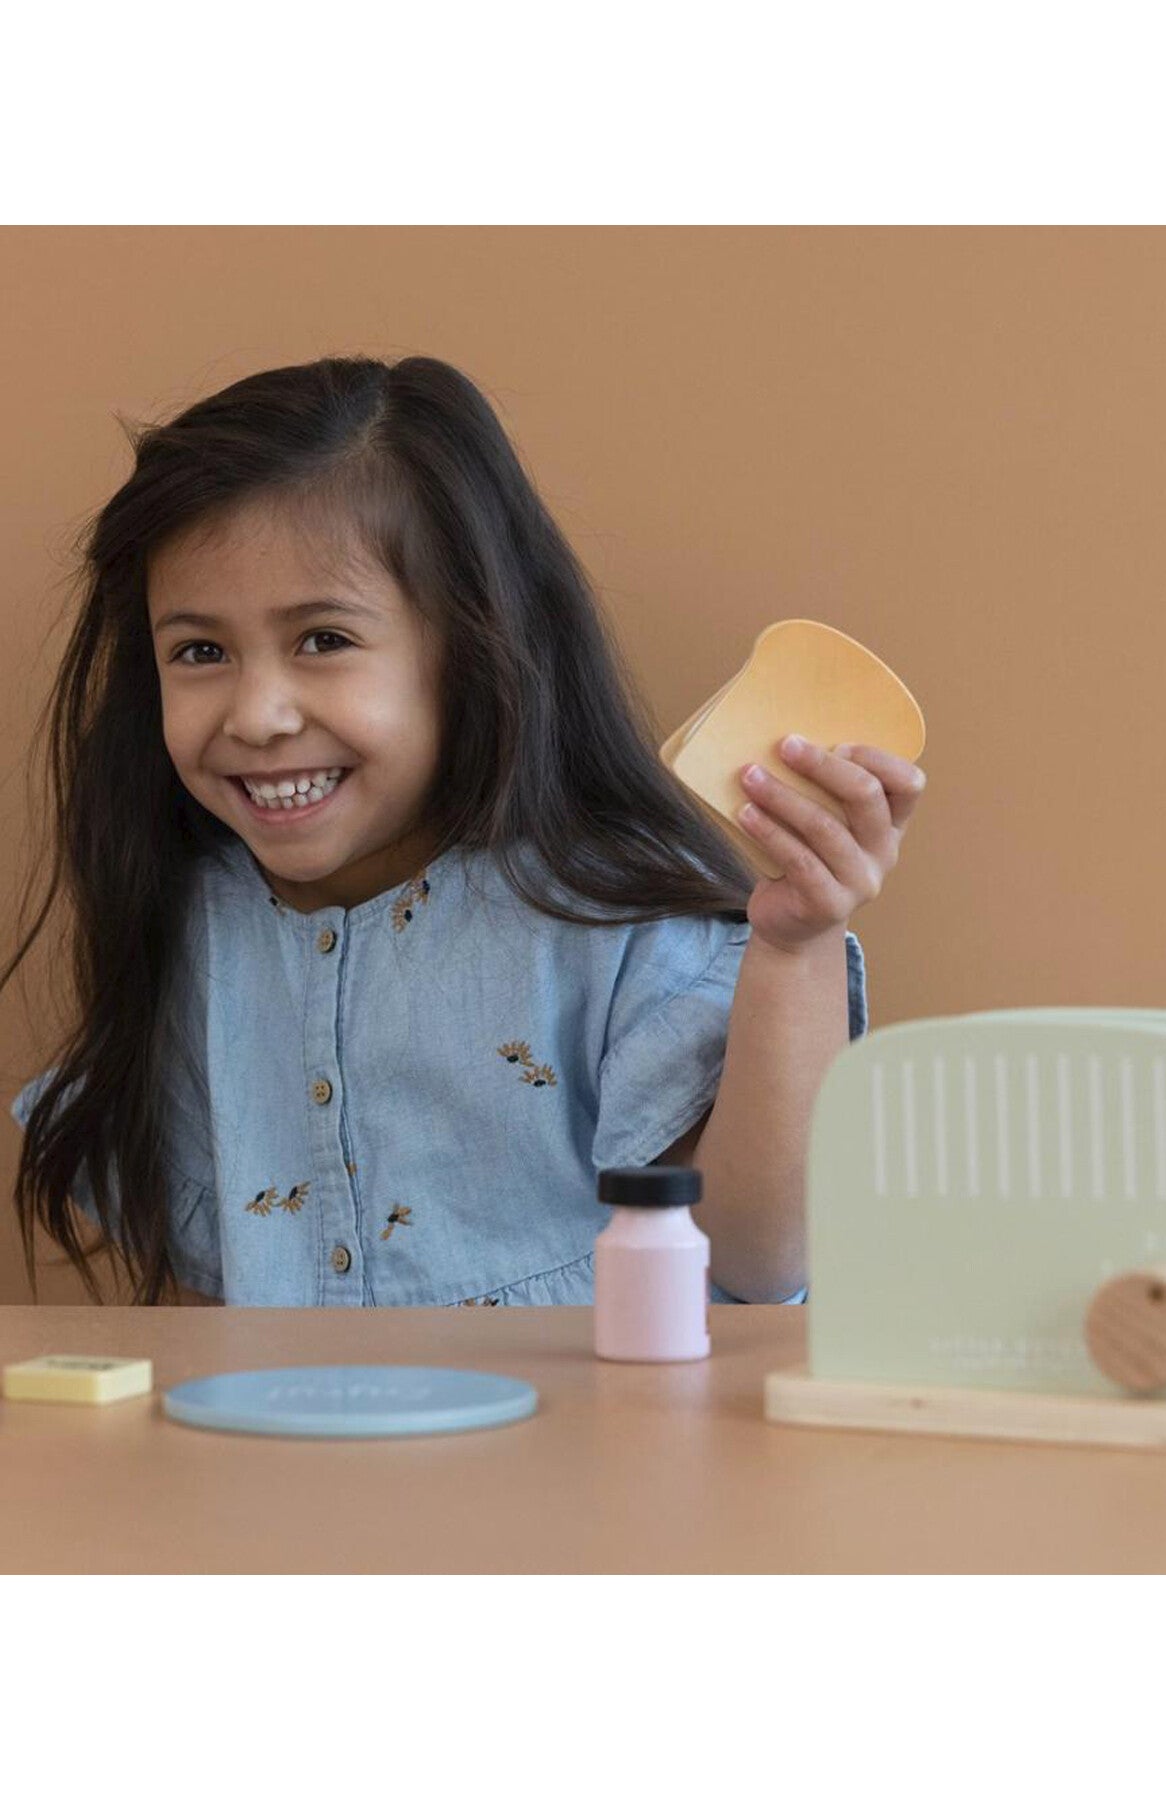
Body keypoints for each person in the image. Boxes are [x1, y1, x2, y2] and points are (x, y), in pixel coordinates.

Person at [4, 355, 924, 1307]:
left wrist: (796, 945)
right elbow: (216, 1304)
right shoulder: (195, 929)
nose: (258, 716)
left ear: (471, 648)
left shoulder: (605, 918)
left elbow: (760, 1262)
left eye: (324, 639)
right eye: (201, 651)